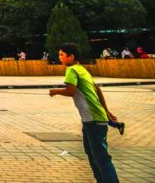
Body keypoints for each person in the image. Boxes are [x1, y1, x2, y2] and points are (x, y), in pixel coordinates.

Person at [49, 43, 119, 183]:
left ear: (71, 56)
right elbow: (97, 90)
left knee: (100, 156)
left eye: (62, 55)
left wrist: (55, 91)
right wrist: (106, 111)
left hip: (93, 119)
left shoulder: (71, 70)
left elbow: (71, 91)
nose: (59, 58)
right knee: (92, 153)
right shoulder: (82, 69)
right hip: (92, 119)